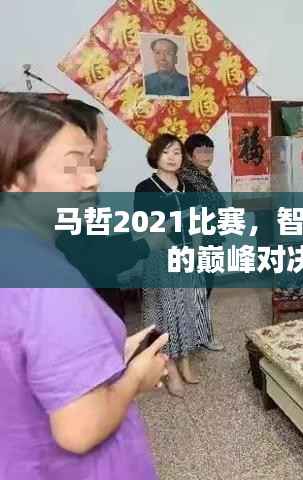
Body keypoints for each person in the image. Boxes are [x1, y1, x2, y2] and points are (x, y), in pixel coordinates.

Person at [0, 94, 168, 479]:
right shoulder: (47, 278)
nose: (92, 178)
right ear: (13, 177)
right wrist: (135, 378)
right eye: (72, 165)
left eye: (89, 161)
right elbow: (80, 429)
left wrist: (110, 353)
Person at [56, 99, 164, 320]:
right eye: (104, 137)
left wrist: (136, 236)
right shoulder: (67, 191)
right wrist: (145, 245)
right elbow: (88, 260)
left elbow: (93, 245)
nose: (109, 146)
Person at [135, 133, 213, 398]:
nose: (172, 157)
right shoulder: (145, 188)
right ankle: (169, 367)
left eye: (177, 152)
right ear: (155, 156)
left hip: (188, 256)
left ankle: (186, 360)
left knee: (189, 310)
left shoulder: (188, 186)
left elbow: (197, 223)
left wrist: (197, 250)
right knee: (166, 314)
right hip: (161, 259)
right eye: (166, 152)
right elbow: (146, 227)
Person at [182, 133, 225, 351]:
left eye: (210, 150)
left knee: (203, 289)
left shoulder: (204, 175)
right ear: (190, 155)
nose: (207, 155)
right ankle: (199, 336)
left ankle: (196, 335)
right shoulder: (187, 179)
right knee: (198, 290)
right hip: (198, 243)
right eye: (201, 151)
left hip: (212, 239)